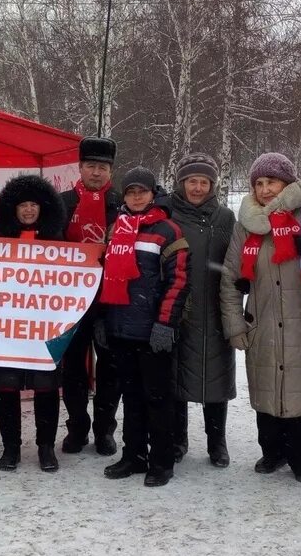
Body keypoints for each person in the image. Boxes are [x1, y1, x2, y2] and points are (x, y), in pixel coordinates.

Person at [219, 152, 301, 484]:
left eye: (272, 181)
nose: (266, 190)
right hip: (262, 323)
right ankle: (271, 452)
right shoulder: (247, 225)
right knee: (267, 392)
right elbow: (229, 278)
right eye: (259, 183)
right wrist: (235, 324)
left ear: (289, 183)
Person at [97, 167, 190, 487]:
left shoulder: (168, 230)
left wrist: (165, 324)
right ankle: (133, 455)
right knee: (131, 396)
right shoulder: (115, 229)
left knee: (158, 399)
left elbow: (177, 282)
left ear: (154, 194)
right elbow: (103, 277)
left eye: (142, 191)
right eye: (130, 192)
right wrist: (102, 319)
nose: (136, 197)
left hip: (152, 331)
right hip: (120, 328)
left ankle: (161, 460)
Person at [0, 174, 68, 473]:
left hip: (45, 327)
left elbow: (69, 284)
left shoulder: (57, 239)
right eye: (23, 205)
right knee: (6, 387)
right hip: (7, 328)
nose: (29, 210)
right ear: (12, 208)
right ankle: (11, 448)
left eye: (34, 204)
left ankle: (46, 447)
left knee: (46, 387)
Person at [168, 153, 237, 467]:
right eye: (192, 181)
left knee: (215, 379)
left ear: (212, 185)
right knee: (176, 377)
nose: (197, 188)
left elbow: (235, 259)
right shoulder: (166, 212)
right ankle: (178, 439)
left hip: (213, 308)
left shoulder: (224, 217)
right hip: (177, 308)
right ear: (182, 184)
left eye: (203, 182)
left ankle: (216, 442)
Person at [58, 136, 122, 456]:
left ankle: (105, 429)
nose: (97, 173)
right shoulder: (63, 202)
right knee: (72, 366)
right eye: (91, 166)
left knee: (110, 366)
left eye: (103, 167)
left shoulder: (123, 205)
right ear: (80, 168)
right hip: (71, 300)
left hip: (110, 300)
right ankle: (77, 426)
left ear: (111, 170)